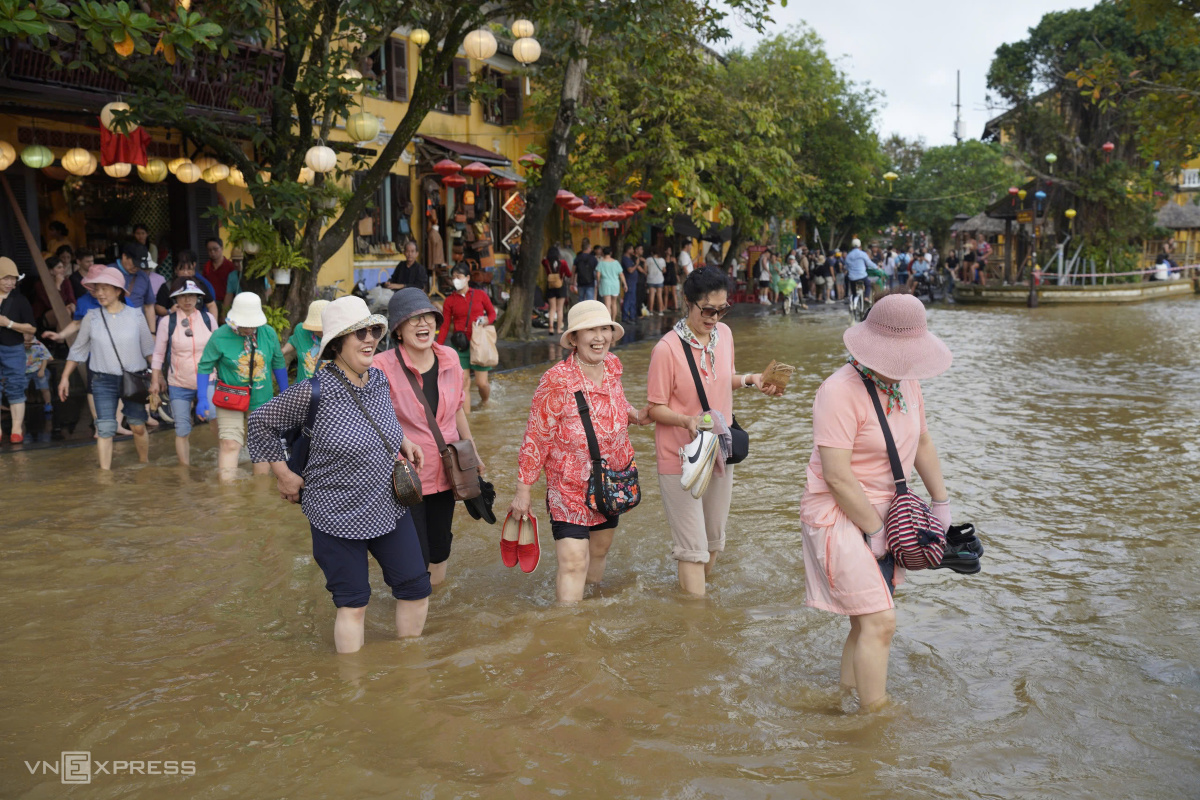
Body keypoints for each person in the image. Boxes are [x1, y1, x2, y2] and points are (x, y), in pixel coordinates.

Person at [247, 296, 431, 652]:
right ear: (337, 343)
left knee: (416, 589)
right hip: (335, 514)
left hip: (388, 505)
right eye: (358, 333)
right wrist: (283, 474)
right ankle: (353, 690)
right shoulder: (312, 392)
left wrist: (402, 440)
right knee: (353, 603)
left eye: (374, 330)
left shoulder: (377, 379)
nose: (370, 338)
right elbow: (259, 423)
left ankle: (409, 679)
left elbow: (378, 419)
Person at [799, 293, 952, 712]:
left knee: (865, 618)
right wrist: (876, 530)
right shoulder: (838, 391)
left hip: (886, 508)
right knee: (881, 621)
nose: (904, 363)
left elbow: (921, 440)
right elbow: (836, 475)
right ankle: (877, 715)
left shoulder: (908, 382)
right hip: (838, 510)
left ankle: (844, 700)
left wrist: (941, 504)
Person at [646, 267, 779, 596]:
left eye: (722, 309)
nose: (715, 317)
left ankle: (688, 601)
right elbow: (654, 408)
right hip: (680, 456)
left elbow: (722, 378)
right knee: (692, 551)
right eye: (707, 310)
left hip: (719, 449)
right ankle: (695, 623)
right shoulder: (667, 349)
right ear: (687, 302)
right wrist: (685, 421)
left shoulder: (725, 336)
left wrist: (751, 379)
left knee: (714, 541)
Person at [510, 300, 651, 603]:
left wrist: (636, 415)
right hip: (568, 487)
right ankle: (567, 632)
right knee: (573, 562)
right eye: (590, 330)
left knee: (598, 552)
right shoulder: (556, 380)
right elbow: (536, 436)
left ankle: (589, 612)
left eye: (604, 328)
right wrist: (523, 491)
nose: (599, 336)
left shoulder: (612, 366)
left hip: (611, 481)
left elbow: (612, 404)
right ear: (574, 338)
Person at [377, 289, 486, 586]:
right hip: (405, 478)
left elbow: (457, 412)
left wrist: (472, 454)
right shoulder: (380, 367)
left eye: (427, 317)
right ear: (397, 330)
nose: (422, 324)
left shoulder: (449, 357)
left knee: (440, 549)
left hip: (448, 469)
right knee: (415, 555)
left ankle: (435, 612)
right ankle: (414, 608)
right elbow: (376, 423)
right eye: (412, 319)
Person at [58, 266, 155, 467]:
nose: (99, 293)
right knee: (105, 429)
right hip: (102, 381)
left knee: (137, 425)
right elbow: (78, 350)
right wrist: (65, 377)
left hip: (133, 378)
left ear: (118, 290)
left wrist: (158, 377)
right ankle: (105, 476)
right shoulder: (91, 317)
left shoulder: (136, 315)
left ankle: (145, 466)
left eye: (105, 288)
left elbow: (148, 350)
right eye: (97, 289)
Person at [195, 292, 288, 478]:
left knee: (261, 446)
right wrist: (201, 398)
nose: (249, 329)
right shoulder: (220, 336)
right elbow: (204, 367)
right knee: (230, 444)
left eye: (252, 324)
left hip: (262, 399)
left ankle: (258, 495)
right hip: (230, 397)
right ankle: (228, 499)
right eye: (245, 325)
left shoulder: (268, 334)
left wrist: (286, 393)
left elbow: (278, 363)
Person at [149, 279, 216, 465]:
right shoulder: (167, 322)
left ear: (197, 297)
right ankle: (184, 472)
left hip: (209, 378)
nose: (187, 299)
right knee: (182, 428)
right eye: (182, 296)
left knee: (213, 416)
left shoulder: (208, 319)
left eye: (191, 295)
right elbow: (158, 354)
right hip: (178, 382)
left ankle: (224, 455)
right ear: (176, 298)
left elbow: (219, 348)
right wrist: (155, 380)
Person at [437, 263, 495, 413]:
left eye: (459, 277)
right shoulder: (449, 301)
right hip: (460, 346)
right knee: (464, 384)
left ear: (467, 278)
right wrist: (437, 346)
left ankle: (486, 400)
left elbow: (492, 314)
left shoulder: (480, 295)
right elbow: (444, 326)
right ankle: (469, 423)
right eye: (453, 277)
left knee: (482, 383)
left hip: (479, 344)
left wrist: (486, 321)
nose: (456, 280)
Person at [0, 257, 36, 443]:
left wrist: (10, 324)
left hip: (13, 348)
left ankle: (16, 429)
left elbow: (32, 328)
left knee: (16, 386)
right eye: (5, 278)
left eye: (13, 279)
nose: (10, 283)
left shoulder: (20, 300)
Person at [154, 251, 218, 319]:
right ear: (175, 270)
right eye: (181, 269)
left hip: (198, 323)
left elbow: (211, 305)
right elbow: (158, 308)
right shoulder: (167, 286)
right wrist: (169, 312)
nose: (185, 272)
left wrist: (213, 325)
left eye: (189, 269)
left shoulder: (200, 285)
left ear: (194, 266)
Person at [113, 242, 157, 334]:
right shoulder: (108, 272)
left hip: (137, 330)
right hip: (112, 329)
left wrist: (152, 333)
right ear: (124, 256)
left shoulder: (143, 276)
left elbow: (149, 306)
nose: (137, 267)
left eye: (139, 265)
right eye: (135, 263)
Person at [282, 300, 329, 381]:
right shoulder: (301, 330)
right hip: (303, 389)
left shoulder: (339, 338)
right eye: (317, 328)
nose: (321, 331)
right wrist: (282, 351)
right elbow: (294, 342)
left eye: (324, 327)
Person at [34, 252, 76, 329]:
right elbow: (51, 305)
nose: (63, 270)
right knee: (65, 312)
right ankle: (63, 340)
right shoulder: (40, 285)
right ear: (50, 271)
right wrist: (57, 286)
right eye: (59, 268)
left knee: (69, 310)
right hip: (45, 315)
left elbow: (71, 298)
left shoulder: (66, 281)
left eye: (63, 267)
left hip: (65, 311)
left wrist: (72, 304)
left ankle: (60, 340)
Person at [201, 238, 238, 310]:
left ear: (222, 248)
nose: (212, 252)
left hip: (228, 303)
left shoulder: (230, 266)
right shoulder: (207, 266)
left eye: (215, 249)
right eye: (209, 250)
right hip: (211, 303)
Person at [542, 245, 571, 337]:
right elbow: (569, 274)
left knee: (552, 308)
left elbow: (543, 260)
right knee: (560, 309)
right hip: (561, 287)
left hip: (550, 287)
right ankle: (558, 328)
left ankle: (550, 328)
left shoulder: (546, 263)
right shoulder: (563, 263)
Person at [24, 332, 53, 414]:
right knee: (21, 388)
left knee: (44, 388)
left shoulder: (38, 345)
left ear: (31, 335)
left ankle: (48, 403)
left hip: (38, 369)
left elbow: (45, 357)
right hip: (24, 370)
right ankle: (20, 405)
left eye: (25, 334)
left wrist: (42, 369)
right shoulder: (19, 344)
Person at [596, 246, 625, 323]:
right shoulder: (616, 262)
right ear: (611, 253)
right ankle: (614, 320)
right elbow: (621, 274)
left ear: (603, 253)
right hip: (615, 284)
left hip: (605, 284)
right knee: (614, 303)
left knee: (607, 304)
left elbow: (598, 275)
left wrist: (598, 283)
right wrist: (625, 284)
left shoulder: (601, 263)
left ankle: (608, 321)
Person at [620, 244, 642, 323]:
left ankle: (632, 316)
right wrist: (636, 264)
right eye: (632, 249)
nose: (633, 251)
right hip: (629, 282)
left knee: (632, 300)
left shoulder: (630, 259)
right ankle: (625, 317)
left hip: (632, 282)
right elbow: (630, 270)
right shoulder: (625, 259)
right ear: (628, 250)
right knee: (628, 300)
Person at [645, 247, 666, 315]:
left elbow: (645, 270)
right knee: (659, 295)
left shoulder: (648, 260)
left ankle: (650, 311)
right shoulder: (662, 260)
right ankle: (660, 311)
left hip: (651, 279)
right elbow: (664, 270)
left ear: (652, 252)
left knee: (651, 295)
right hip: (659, 279)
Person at [663, 246, 679, 311]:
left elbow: (675, 268)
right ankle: (665, 307)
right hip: (666, 277)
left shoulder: (673, 259)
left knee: (674, 292)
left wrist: (677, 275)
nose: (670, 251)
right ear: (665, 251)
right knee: (666, 293)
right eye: (668, 250)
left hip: (672, 276)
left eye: (670, 250)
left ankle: (676, 307)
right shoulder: (663, 260)